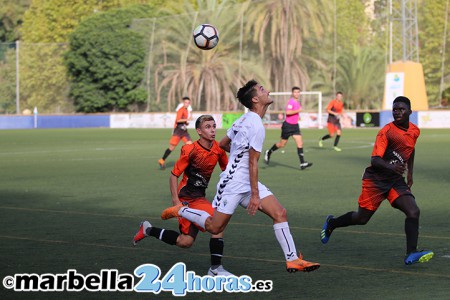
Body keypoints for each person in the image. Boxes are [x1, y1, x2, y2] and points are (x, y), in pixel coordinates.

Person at [161, 80, 320, 273]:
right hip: (233, 183)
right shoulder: (256, 126)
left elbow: (222, 143)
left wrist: (237, 153)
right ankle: (180, 210)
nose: (267, 90)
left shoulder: (244, 119)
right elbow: (252, 163)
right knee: (213, 227)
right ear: (255, 99)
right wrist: (254, 193)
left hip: (246, 181)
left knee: (280, 213)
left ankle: (292, 259)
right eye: (262, 89)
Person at [320, 96, 434, 265]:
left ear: (410, 111)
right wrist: (392, 167)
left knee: (413, 211)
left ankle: (411, 253)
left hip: (395, 180)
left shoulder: (415, 131)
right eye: (395, 109)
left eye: (401, 109)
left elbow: (411, 148)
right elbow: (375, 160)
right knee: (362, 219)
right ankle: (332, 223)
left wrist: (410, 173)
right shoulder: (387, 132)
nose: (397, 112)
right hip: (376, 181)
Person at [134, 115, 233, 276]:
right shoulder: (190, 149)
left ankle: (148, 230)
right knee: (197, 235)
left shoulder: (218, 149)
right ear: (199, 131)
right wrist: (176, 204)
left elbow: (228, 172)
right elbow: (174, 175)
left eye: (214, 126)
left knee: (195, 236)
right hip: (185, 200)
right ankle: (215, 269)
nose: (213, 130)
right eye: (208, 127)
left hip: (199, 198)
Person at [264, 86, 313, 170]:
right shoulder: (291, 102)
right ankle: (269, 152)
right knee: (282, 144)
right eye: (295, 92)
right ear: (292, 93)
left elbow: (294, 113)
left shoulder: (297, 102)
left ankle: (302, 163)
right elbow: (288, 112)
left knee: (300, 143)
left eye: (298, 92)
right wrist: (298, 111)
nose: (297, 94)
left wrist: (298, 116)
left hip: (295, 126)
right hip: (288, 126)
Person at [158, 97, 193, 169]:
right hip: (178, 131)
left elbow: (183, 121)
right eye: (186, 102)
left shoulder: (186, 111)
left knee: (190, 145)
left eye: (188, 103)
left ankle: (189, 163)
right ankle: (162, 160)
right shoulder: (181, 110)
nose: (187, 104)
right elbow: (178, 120)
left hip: (184, 131)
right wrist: (187, 119)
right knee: (171, 148)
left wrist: (186, 123)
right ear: (183, 103)